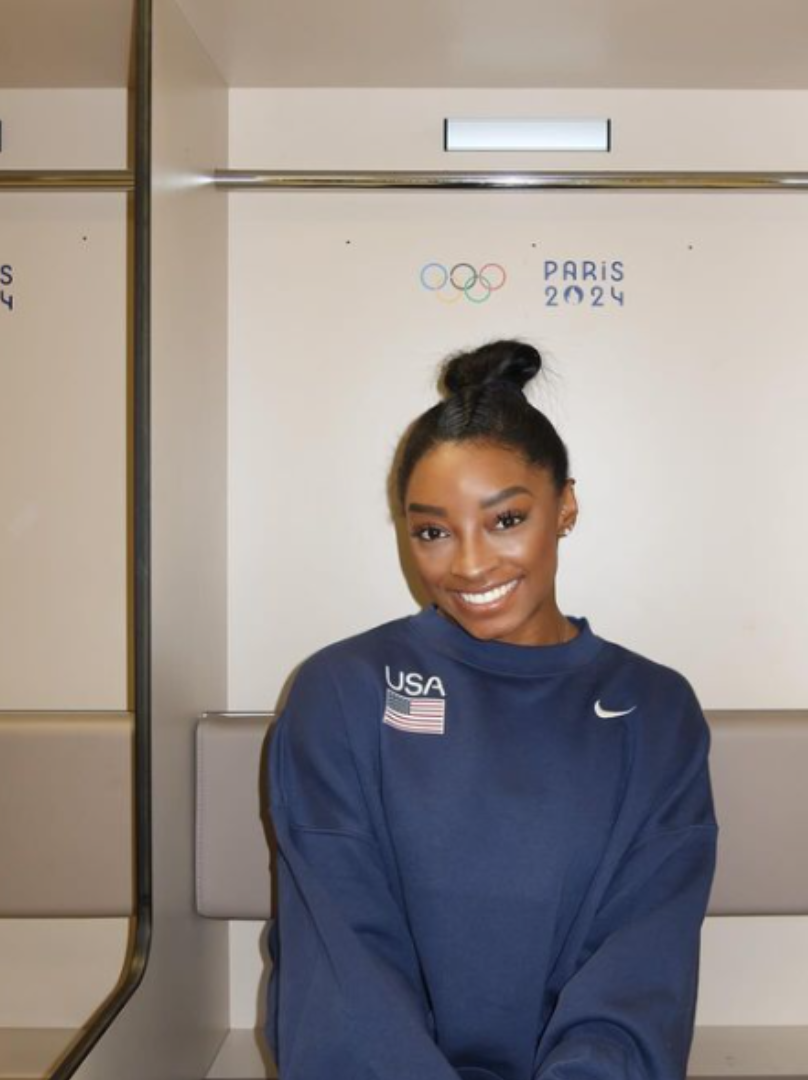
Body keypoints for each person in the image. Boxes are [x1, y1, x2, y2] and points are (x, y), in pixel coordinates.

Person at [263, 339, 719, 1080]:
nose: (468, 564)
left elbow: (643, 959)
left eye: (505, 519)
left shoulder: (654, 708)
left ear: (565, 504)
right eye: (432, 532)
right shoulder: (343, 690)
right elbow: (341, 964)